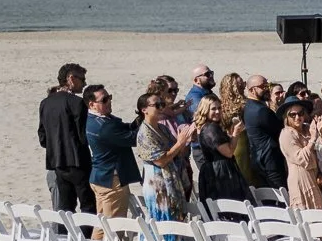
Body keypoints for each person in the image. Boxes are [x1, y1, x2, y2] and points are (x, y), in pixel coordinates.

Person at [38, 62, 94, 213]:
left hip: (56, 162)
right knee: (88, 205)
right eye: (82, 80)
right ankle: (84, 237)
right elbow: (83, 136)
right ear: (71, 79)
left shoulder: (45, 103)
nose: (84, 84)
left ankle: (64, 236)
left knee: (64, 207)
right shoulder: (77, 103)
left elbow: (42, 138)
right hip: (78, 161)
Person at [134, 91, 194, 225]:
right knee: (162, 221)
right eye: (157, 105)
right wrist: (179, 143)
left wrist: (186, 139)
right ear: (144, 110)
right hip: (157, 183)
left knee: (175, 219)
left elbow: (177, 152)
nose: (162, 108)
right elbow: (161, 161)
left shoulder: (162, 127)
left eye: (162, 104)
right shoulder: (144, 133)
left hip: (171, 179)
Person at [83, 84, 140, 220]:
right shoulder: (104, 126)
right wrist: (149, 120)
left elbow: (123, 128)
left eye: (109, 98)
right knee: (114, 228)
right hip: (111, 181)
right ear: (92, 104)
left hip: (100, 177)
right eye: (104, 100)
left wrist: (140, 119)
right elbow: (134, 138)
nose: (109, 101)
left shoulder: (93, 119)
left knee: (103, 226)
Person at [190, 94, 250, 205]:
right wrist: (236, 133)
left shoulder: (205, 126)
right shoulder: (210, 129)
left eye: (219, 108)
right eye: (213, 109)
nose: (217, 112)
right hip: (221, 172)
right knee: (232, 205)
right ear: (205, 110)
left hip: (214, 169)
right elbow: (228, 152)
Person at [278, 97, 322, 210]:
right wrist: (312, 139)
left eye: (300, 113)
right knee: (306, 215)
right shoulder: (286, 134)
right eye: (293, 114)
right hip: (300, 178)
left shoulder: (308, 128)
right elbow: (300, 158)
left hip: (314, 176)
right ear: (287, 116)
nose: (297, 117)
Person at [242, 75, 287, 189]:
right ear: (252, 90)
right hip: (269, 161)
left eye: (268, 85)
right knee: (281, 196)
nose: (267, 89)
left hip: (259, 159)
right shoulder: (261, 110)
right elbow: (280, 129)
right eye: (263, 86)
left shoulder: (248, 106)